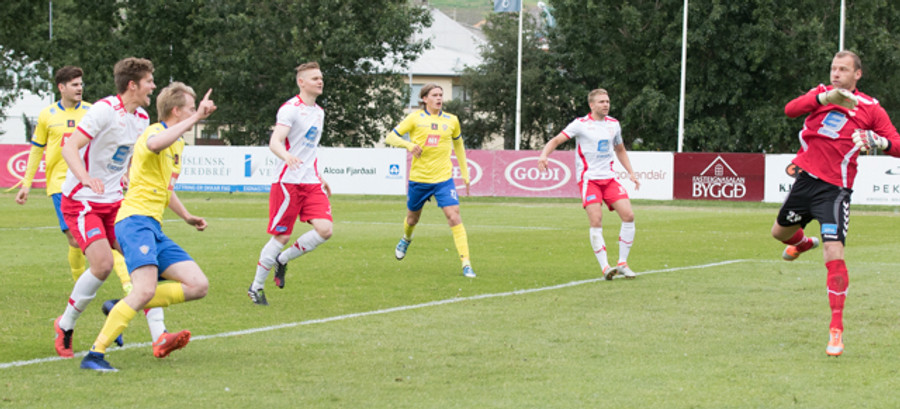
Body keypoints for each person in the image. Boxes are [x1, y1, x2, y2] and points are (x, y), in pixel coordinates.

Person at [80, 82, 216, 372]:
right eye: (191, 108)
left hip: (153, 226)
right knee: (143, 290)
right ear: (176, 111)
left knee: (198, 285)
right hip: (134, 223)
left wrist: (187, 216)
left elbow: (166, 188)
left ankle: (126, 303)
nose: (196, 112)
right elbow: (154, 144)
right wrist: (197, 118)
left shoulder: (177, 144)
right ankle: (94, 355)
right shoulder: (153, 132)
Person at [772, 50, 900, 357]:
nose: (836, 73)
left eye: (843, 69)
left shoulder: (871, 108)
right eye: (833, 68)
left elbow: (896, 144)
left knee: (833, 251)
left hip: (835, 190)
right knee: (779, 233)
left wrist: (880, 142)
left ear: (857, 74)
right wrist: (823, 98)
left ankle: (836, 330)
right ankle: (803, 244)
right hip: (805, 181)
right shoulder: (820, 94)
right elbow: (790, 110)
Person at [53, 58, 169, 361]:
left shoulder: (141, 117)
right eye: (149, 81)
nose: (153, 86)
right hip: (83, 200)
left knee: (144, 259)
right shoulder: (104, 110)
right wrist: (85, 177)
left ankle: (160, 336)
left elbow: (127, 156)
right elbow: (69, 147)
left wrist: (128, 175)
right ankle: (65, 324)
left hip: (116, 202)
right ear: (132, 85)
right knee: (103, 265)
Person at [248, 62, 333, 306]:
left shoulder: (319, 112)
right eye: (315, 78)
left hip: (311, 181)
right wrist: (286, 156)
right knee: (282, 236)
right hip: (288, 182)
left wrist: (319, 176)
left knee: (325, 230)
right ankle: (256, 287)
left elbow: (309, 149)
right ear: (301, 82)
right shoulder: (290, 109)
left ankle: (282, 260)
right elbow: (275, 141)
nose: (320, 81)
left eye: (321, 77)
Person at [537, 88, 640, 280]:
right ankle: (605, 267)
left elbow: (620, 149)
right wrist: (544, 155)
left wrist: (631, 173)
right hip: (589, 180)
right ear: (591, 105)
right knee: (596, 220)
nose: (606, 105)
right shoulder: (580, 124)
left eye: (607, 101)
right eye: (601, 102)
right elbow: (557, 140)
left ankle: (622, 263)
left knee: (629, 215)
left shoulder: (614, 124)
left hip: (609, 179)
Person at [384, 83, 475, 278]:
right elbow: (390, 137)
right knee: (412, 219)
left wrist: (465, 174)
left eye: (441, 95)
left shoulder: (452, 120)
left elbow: (459, 147)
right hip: (419, 179)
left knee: (454, 216)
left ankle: (466, 263)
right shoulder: (415, 118)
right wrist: (409, 145)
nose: (439, 98)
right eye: (434, 95)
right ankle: (406, 238)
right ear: (425, 99)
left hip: (443, 179)